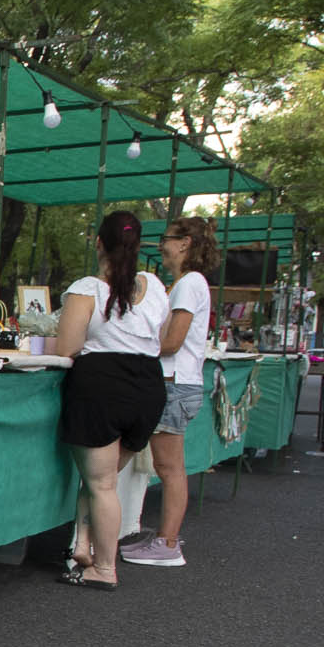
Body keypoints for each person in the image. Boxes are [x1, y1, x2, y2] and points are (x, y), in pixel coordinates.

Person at [49, 209, 170, 589]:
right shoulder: (154, 285)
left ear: (99, 242)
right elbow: (159, 340)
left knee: (101, 485)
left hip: (101, 386)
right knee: (99, 478)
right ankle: (82, 546)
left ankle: (104, 568)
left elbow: (67, 346)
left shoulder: (88, 287)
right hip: (148, 388)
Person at [123, 219, 217, 569]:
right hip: (180, 382)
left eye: (167, 239)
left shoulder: (189, 284)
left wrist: (133, 342)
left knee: (169, 467)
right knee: (169, 465)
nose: (161, 245)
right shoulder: (189, 284)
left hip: (174, 382)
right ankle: (165, 537)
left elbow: (173, 341)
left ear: (185, 243)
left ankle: (167, 543)